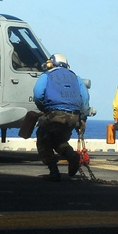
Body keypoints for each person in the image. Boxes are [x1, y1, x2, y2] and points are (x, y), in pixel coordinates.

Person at [33, 53, 90, 181]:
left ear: (52, 63)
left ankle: (53, 171)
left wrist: (43, 108)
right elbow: (85, 98)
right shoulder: (76, 77)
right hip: (73, 117)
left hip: (55, 114)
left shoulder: (47, 75)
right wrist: (82, 118)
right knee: (59, 141)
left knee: (43, 139)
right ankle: (72, 156)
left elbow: (37, 94)